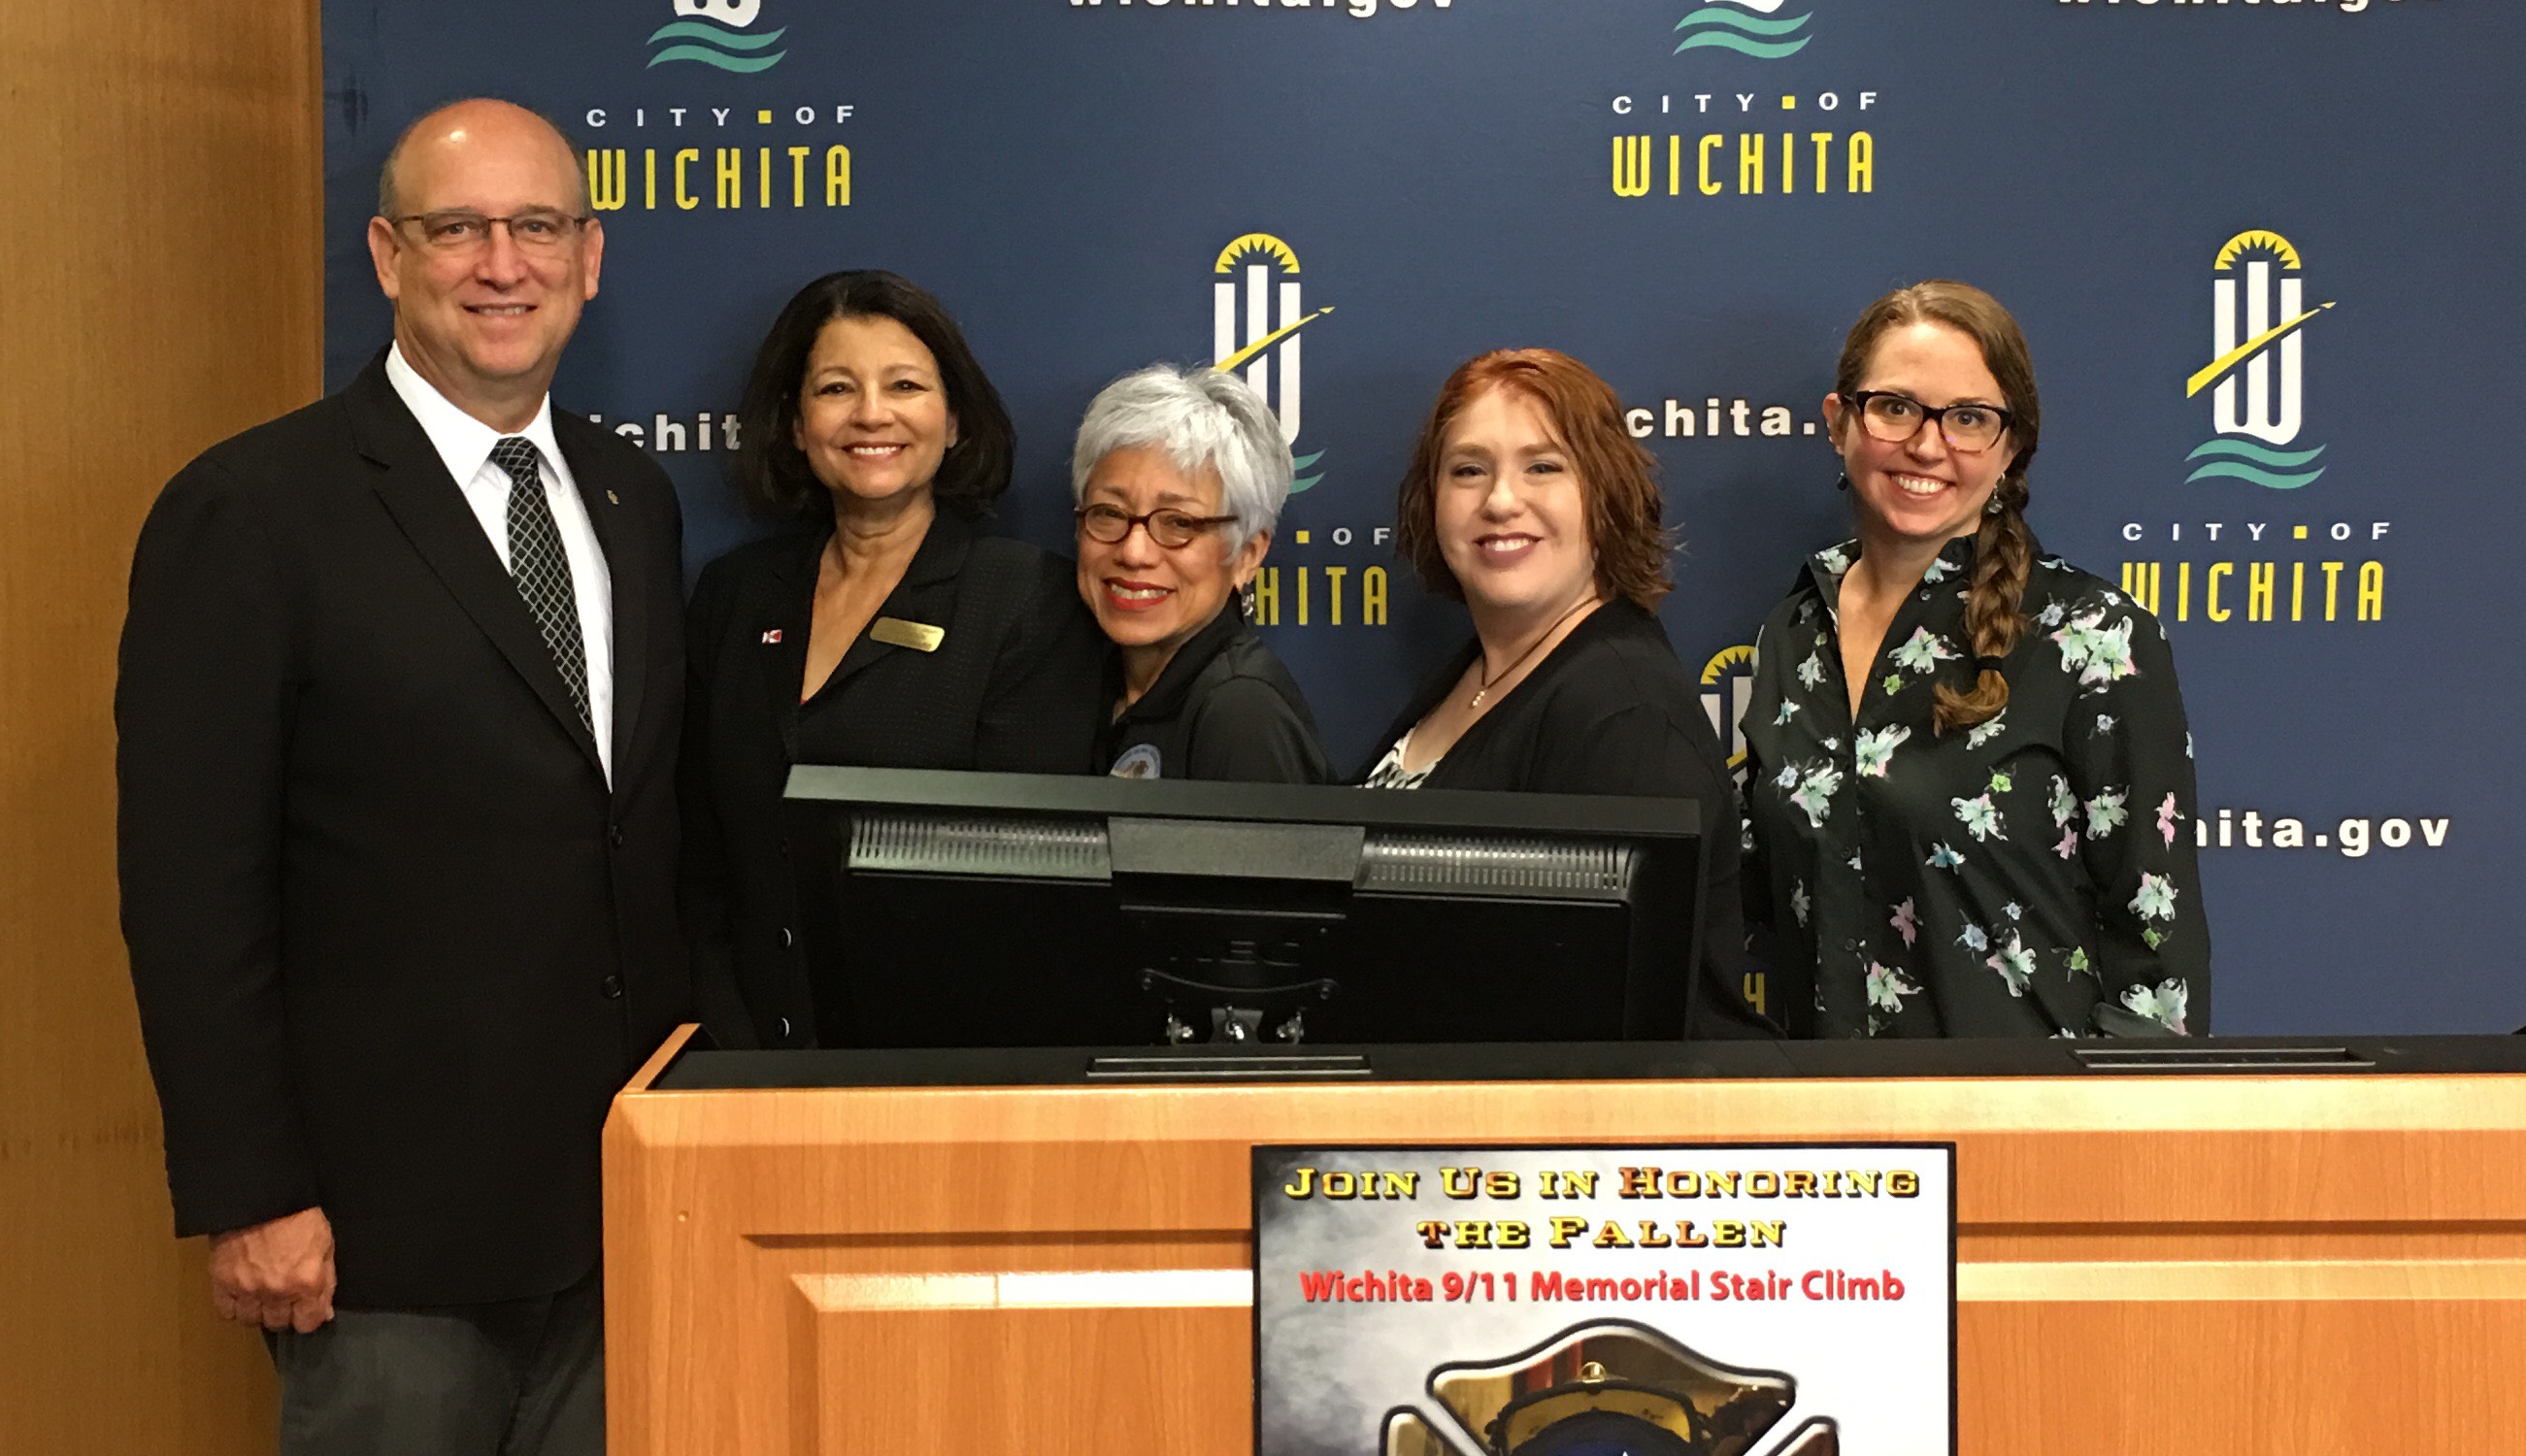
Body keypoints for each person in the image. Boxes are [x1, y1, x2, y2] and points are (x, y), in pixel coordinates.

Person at [116, 98, 675, 1456]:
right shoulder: (254, 510)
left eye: (538, 229)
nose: (501, 265)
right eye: (457, 233)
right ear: (387, 260)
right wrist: (249, 1188)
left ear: (593, 258)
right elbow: (190, 885)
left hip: (600, 1208)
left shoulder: (626, 498)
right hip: (370, 1220)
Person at [1739, 279, 2207, 1041]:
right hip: (1833, 1131)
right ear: (1839, 422)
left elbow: (2159, 959)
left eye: (1968, 419)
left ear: (2011, 444)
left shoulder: (2091, 637)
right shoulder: (1794, 632)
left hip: (2027, 1132)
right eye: (1895, 407)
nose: (1927, 445)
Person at [684, 270, 1099, 1044]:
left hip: (935, 1074)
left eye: (904, 385)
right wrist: (733, 1049)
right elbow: (702, 869)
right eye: (836, 388)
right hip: (740, 1068)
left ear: (954, 423)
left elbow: (1025, 896)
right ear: (797, 423)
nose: (871, 413)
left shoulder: (1024, 601)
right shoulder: (734, 596)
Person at [1363, 347, 1745, 1031]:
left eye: (1543, 466)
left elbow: (1613, 1023)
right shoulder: (1474, 670)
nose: (1501, 501)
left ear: (1605, 493)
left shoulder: (1628, 716)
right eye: (1468, 470)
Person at [1071, 362, 1330, 783]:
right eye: (1110, 513)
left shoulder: (1242, 713)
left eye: (1178, 524)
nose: (1134, 552)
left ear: (1247, 554)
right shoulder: (1077, 683)